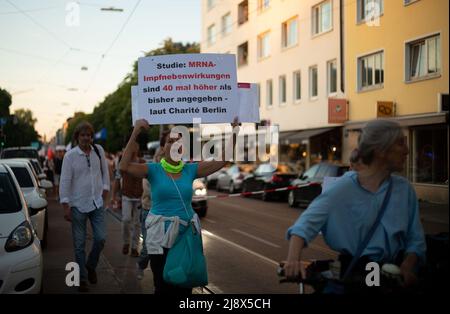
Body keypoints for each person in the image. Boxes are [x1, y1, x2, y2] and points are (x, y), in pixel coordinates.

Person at [283, 119, 426, 293]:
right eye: (400, 143)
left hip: (395, 277)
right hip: (356, 277)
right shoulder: (342, 189)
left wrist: (408, 264)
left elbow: (415, 239)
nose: (407, 150)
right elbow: (303, 227)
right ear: (381, 151)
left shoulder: (404, 189)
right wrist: (293, 260)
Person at [119, 118, 240, 294]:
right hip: (158, 237)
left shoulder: (190, 170)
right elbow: (123, 166)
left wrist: (234, 132)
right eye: (170, 141)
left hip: (184, 237)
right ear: (163, 147)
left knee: (184, 286)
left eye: (178, 141)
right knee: (162, 285)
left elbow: (223, 160)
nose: (174, 145)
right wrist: (136, 131)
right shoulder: (153, 169)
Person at [59, 121, 110, 293]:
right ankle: (81, 279)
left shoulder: (98, 150)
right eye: (82, 135)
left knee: (101, 238)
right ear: (77, 137)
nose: (86, 138)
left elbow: (105, 173)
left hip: (97, 203)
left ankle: (91, 265)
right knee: (79, 244)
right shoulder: (70, 156)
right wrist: (65, 205)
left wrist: (105, 191)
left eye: (88, 135)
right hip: (78, 205)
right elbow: (65, 181)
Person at [111, 148, 145, 257]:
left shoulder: (142, 162)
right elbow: (117, 179)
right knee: (126, 219)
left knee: (137, 223)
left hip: (139, 196)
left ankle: (134, 248)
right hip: (126, 196)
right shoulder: (123, 161)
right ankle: (126, 242)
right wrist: (113, 196)